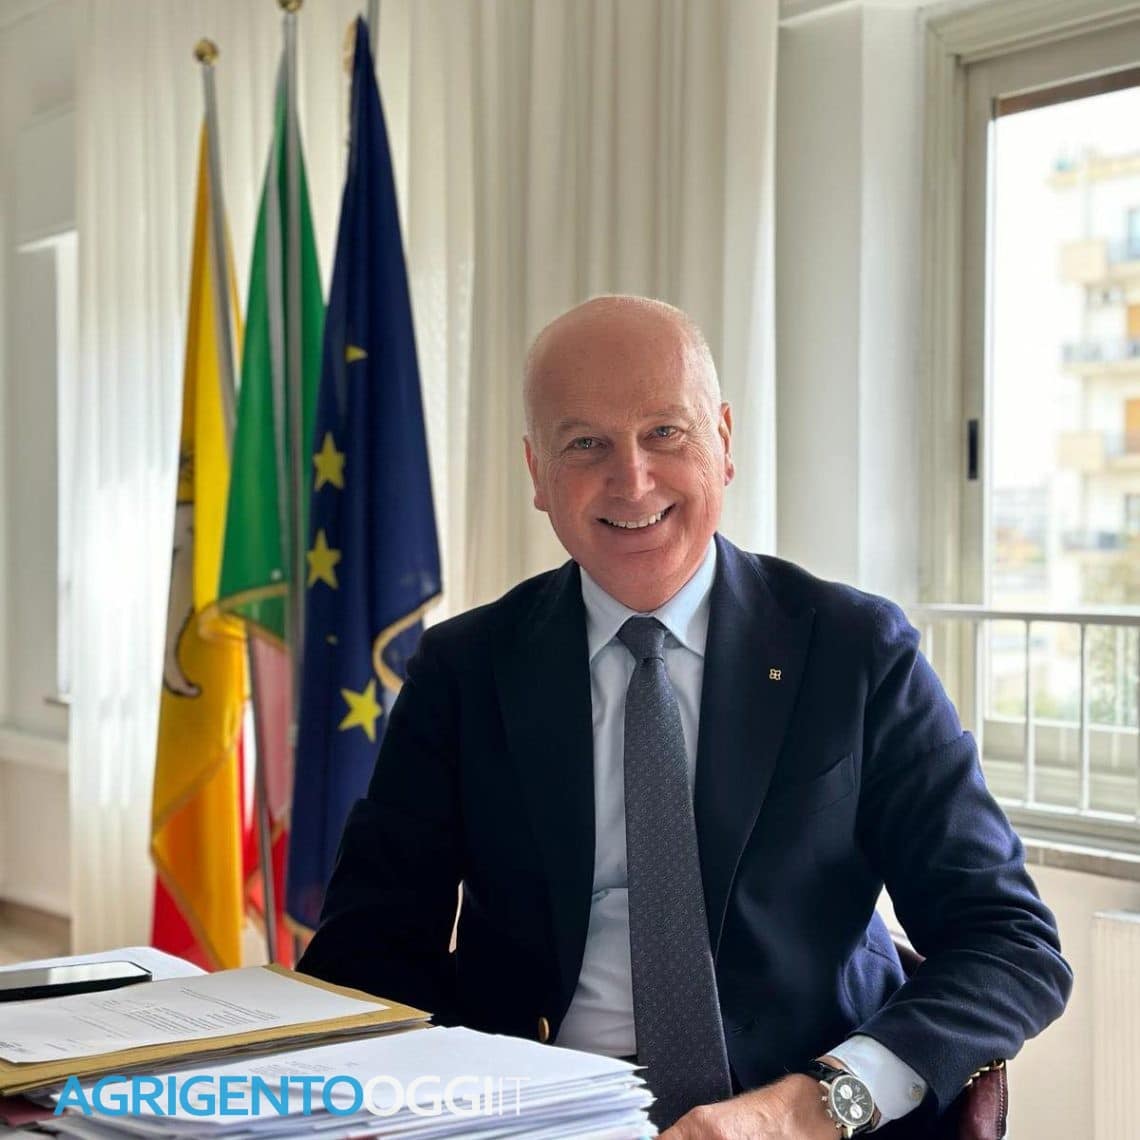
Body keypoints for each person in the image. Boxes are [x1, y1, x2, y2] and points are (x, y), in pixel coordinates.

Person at [298, 296, 1071, 1138]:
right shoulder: (464, 669)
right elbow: (366, 951)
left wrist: (815, 1105)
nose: (632, 479)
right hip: (534, 1115)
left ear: (724, 443)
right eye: (584, 443)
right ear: (536, 473)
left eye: (664, 431)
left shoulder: (855, 652)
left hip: (802, 1116)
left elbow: (1009, 941)